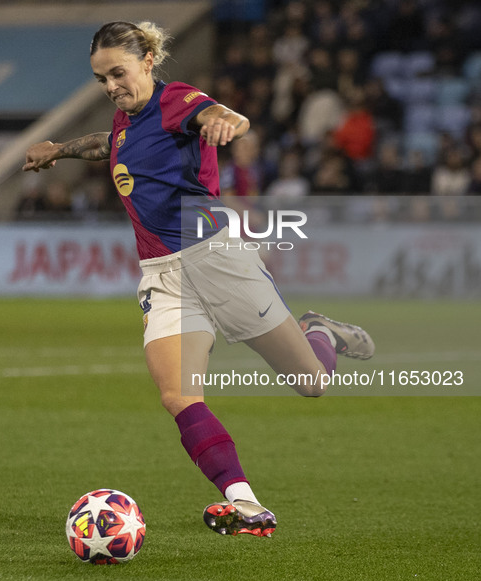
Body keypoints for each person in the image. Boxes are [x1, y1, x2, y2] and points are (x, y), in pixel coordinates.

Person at [23, 21, 375, 538]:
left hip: (216, 257)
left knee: (312, 383)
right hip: (163, 276)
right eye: (101, 79)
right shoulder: (127, 119)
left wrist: (223, 122)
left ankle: (318, 330)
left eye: (118, 73)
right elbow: (111, 142)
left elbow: (223, 115)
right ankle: (246, 504)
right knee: (178, 395)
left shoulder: (178, 100)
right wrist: (61, 149)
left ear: (147, 59)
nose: (111, 87)